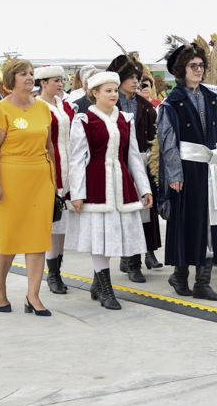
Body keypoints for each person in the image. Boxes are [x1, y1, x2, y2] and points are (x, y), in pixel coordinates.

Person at [64, 71, 153, 310]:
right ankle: (106, 289)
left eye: (115, 90)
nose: (114, 94)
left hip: (121, 184)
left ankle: (97, 284)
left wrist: (144, 188)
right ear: (95, 93)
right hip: (96, 184)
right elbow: (77, 159)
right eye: (108, 91)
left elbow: (133, 156)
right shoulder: (84, 120)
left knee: (114, 237)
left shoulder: (125, 118)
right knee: (100, 238)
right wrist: (78, 193)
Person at [157, 41, 217, 300]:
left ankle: (202, 283)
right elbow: (167, 142)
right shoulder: (172, 102)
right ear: (181, 70)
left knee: (211, 223)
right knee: (188, 224)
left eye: (201, 65)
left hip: (209, 169)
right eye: (193, 66)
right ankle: (180, 276)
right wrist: (175, 174)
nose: (199, 70)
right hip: (187, 172)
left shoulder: (212, 99)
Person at [0, 58, 56, 316]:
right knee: (9, 239)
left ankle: (33, 296)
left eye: (31, 73)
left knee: (37, 239)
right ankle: (0, 290)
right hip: (10, 179)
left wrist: (55, 180)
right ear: (10, 79)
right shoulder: (1, 110)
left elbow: (49, 146)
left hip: (40, 179)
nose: (29, 77)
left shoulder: (43, 109)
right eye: (23, 73)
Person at [113, 53, 164, 281]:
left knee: (144, 213)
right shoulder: (109, 105)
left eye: (137, 77)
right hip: (116, 168)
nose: (136, 82)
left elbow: (155, 139)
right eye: (130, 77)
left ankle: (138, 258)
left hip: (142, 166)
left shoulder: (146, 107)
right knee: (124, 215)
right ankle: (129, 258)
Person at [33, 65, 75, 294]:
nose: (61, 84)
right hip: (51, 167)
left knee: (62, 223)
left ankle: (57, 270)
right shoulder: (38, 106)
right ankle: (52, 274)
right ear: (43, 83)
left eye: (63, 80)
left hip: (69, 168)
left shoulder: (64, 105)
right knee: (51, 222)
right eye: (56, 80)